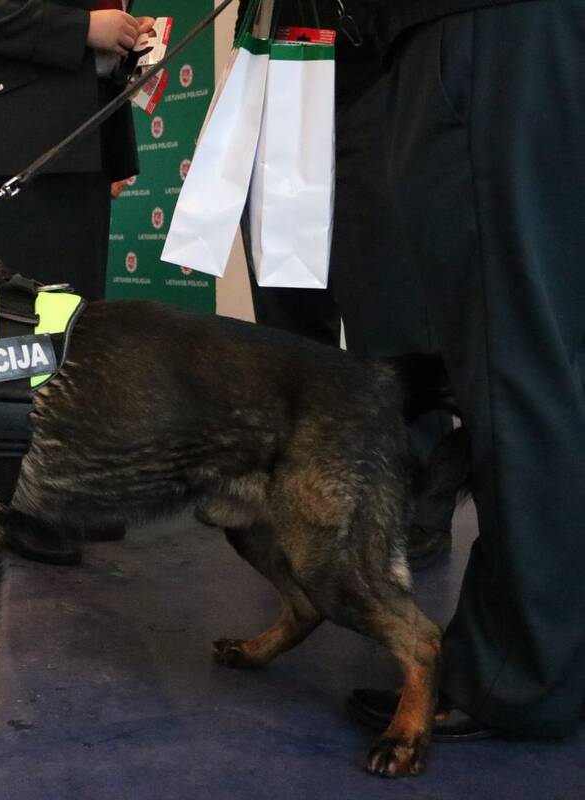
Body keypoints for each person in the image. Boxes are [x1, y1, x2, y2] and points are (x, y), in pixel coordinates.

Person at [344, 0, 585, 741]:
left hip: (485, 32)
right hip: (531, 34)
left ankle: (520, 675)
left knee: (512, 359)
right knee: (553, 351)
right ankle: (551, 651)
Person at [0, 1, 151, 564]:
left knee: (72, 333)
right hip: (3, 142)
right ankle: (9, 502)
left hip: (78, 140)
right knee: (11, 339)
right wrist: (85, 28)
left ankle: (60, 492)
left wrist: (124, 41)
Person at [234, 1, 455, 567]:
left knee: (389, 310)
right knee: (287, 322)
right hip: (275, 76)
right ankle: (301, 493)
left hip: (374, 73)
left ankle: (415, 500)